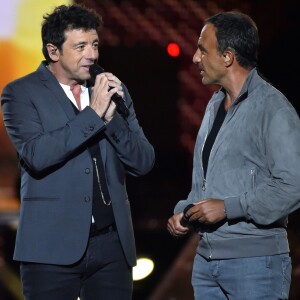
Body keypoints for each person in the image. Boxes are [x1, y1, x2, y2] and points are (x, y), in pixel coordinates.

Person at [1, 4, 154, 300]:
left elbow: (144, 161)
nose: (92, 55)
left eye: (95, 45)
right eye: (81, 46)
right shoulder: (20, 93)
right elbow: (37, 154)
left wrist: (111, 119)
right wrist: (93, 115)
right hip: (50, 250)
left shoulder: (111, 89)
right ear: (53, 51)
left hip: (112, 248)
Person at [167, 11, 300, 300]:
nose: (195, 58)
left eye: (203, 50)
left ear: (227, 57)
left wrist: (229, 207)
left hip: (255, 267)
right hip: (206, 263)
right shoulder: (214, 106)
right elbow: (205, 184)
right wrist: (185, 212)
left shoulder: (273, 109)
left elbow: (292, 187)